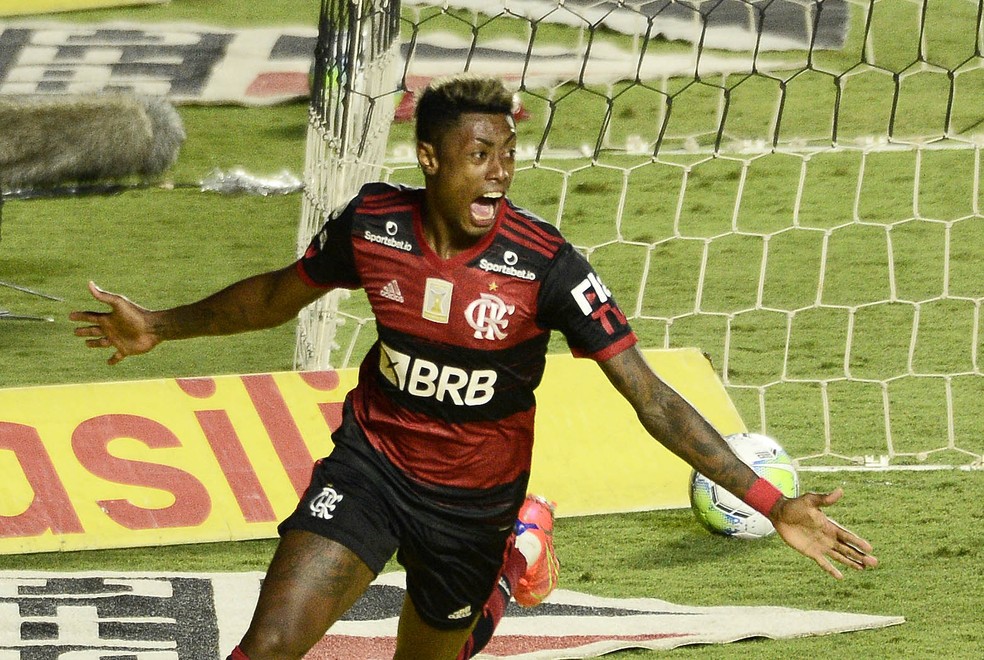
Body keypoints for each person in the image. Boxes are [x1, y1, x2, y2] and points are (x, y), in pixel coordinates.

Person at [70, 74, 878, 660]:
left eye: (507, 154)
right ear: (429, 158)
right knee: (270, 644)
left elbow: (651, 398)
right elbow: (275, 299)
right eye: (480, 152)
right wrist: (160, 326)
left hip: (472, 503)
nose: (500, 170)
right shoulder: (373, 227)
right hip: (370, 468)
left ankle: (509, 562)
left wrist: (772, 504)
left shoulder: (547, 267)